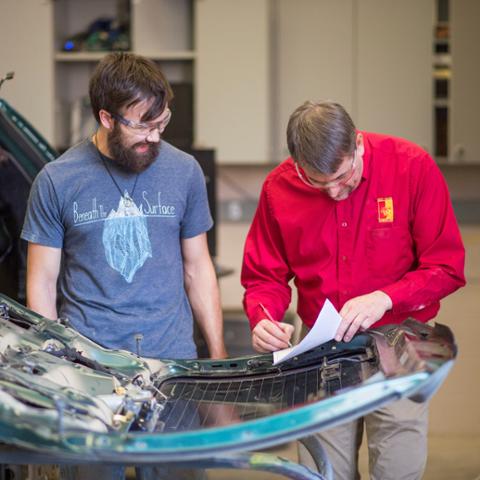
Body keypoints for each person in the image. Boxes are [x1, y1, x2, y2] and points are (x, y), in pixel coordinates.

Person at [21, 52, 226, 478]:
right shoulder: (58, 180)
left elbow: (198, 268)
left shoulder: (184, 172)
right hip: (90, 372)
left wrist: (217, 357)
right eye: (142, 124)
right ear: (106, 118)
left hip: (172, 367)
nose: (154, 136)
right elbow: (41, 284)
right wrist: (54, 368)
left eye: (161, 122)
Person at [241, 100, 465, 479]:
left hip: (403, 341)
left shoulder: (411, 166)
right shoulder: (278, 188)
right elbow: (265, 276)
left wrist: (385, 297)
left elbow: (445, 267)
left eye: (344, 178)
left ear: (358, 145)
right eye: (317, 182)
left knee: (398, 467)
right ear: (296, 164)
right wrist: (263, 316)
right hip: (321, 348)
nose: (332, 192)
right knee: (322, 471)